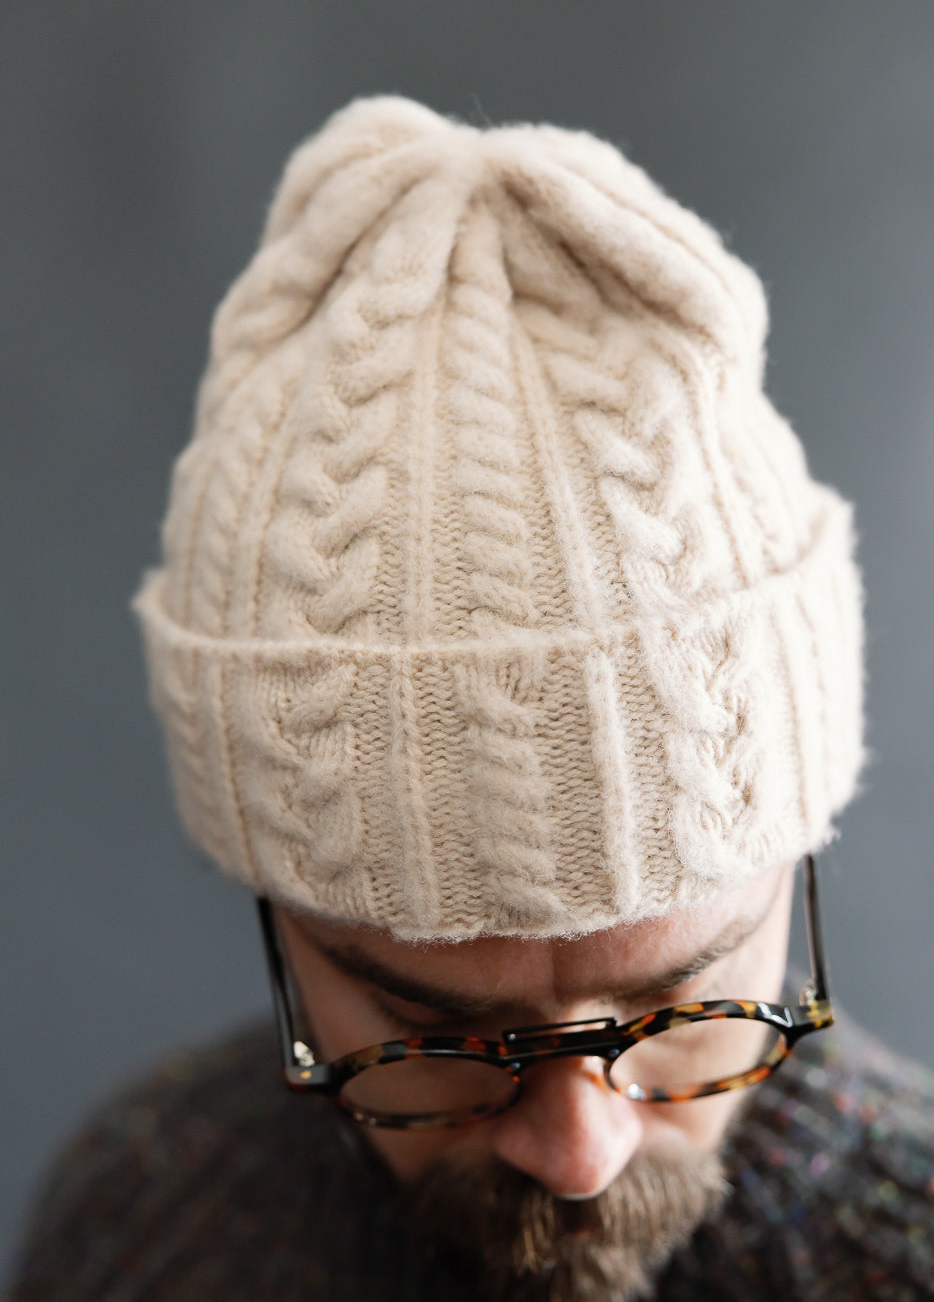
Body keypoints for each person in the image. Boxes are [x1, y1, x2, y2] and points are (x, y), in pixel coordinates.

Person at [10, 97, 934, 1302]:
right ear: (280, 918)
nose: (576, 1151)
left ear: (798, 864)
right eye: (440, 1040)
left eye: (681, 1006)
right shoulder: (144, 1225)